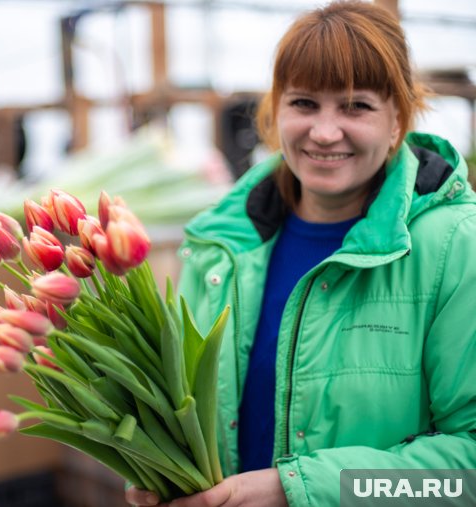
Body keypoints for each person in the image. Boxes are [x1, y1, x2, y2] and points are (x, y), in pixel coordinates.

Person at [127, 2, 476, 506]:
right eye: (304, 103)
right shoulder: (220, 247)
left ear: (397, 118)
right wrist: (152, 470)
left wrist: (298, 491)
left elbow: (465, 470)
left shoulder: (453, 246)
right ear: (276, 109)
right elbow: (177, 408)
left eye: (356, 106)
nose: (325, 131)